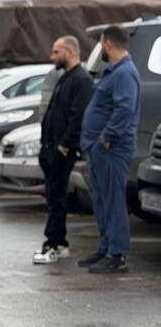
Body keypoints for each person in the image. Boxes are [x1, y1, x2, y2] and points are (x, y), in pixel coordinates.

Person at [78, 25, 142, 274]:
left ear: (107, 44)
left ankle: (117, 255)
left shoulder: (125, 73)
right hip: (100, 148)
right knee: (102, 199)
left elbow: (125, 109)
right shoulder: (114, 71)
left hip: (112, 148)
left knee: (113, 200)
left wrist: (106, 138)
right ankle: (105, 248)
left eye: (101, 43)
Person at [33, 35, 92, 264]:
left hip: (62, 151)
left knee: (57, 199)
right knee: (53, 197)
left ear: (70, 52)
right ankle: (61, 243)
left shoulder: (81, 80)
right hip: (50, 149)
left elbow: (78, 117)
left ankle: (53, 245)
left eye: (56, 52)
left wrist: (65, 145)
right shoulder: (65, 77)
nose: (52, 56)